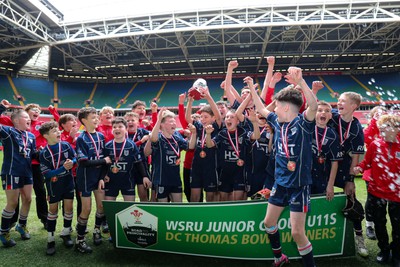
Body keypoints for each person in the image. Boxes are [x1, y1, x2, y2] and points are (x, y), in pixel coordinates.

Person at [249, 68, 318, 267]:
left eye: (277, 106)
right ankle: (279, 257)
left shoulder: (303, 124)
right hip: (280, 184)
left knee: (297, 232)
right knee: (268, 223)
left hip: (299, 186)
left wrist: (301, 81)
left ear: (286, 108)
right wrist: (251, 89)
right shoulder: (277, 123)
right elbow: (262, 109)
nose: (274, 109)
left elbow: (312, 105)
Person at [354, 114, 400, 265]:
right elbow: (366, 163)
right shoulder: (375, 144)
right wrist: (358, 168)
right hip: (376, 192)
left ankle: (397, 252)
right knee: (379, 224)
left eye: (387, 127)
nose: (383, 131)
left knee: (398, 225)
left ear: (396, 128)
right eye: (381, 128)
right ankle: (384, 250)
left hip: (397, 193)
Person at [328, 91, 367, 257]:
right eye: (338, 100)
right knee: (320, 197)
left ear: (354, 106)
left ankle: (359, 238)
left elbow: (355, 157)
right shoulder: (331, 117)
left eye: (343, 101)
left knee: (352, 200)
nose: (339, 103)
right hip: (326, 165)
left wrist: (351, 180)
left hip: (344, 166)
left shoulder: (357, 128)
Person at [205, 94, 260, 202]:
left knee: (237, 200)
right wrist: (207, 134)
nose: (228, 119)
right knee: (223, 200)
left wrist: (254, 122)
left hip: (240, 172)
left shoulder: (243, 132)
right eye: (227, 117)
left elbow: (256, 136)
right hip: (225, 172)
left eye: (231, 117)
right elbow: (209, 144)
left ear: (238, 121)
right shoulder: (222, 134)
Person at [75, 107, 112, 253]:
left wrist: (102, 177)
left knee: (101, 206)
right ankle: (80, 240)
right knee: (86, 209)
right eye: (93, 117)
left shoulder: (101, 136)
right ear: (84, 120)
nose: (96, 119)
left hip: (98, 178)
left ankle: (97, 230)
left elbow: (107, 160)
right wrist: (103, 160)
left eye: (97, 117)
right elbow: (83, 162)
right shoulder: (81, 138)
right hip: (85, 178)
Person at [0, 99, 36, 247]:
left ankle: (21, 225)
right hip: (11, 171)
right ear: (15, 120)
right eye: (25, 117)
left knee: (27, 199)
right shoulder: (8, 132)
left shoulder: (31, 136)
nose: (29, 120)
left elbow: (33, 155)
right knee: (13, 202)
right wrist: (2, 107)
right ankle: (3, 231)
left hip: (27, 172)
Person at [39, 121, 76, 255]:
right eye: (54, 131)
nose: (58, 132)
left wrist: (72, 162)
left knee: (69, 207)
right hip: (54, 185)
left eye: (58, 130)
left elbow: (75, 158)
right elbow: (47, 174)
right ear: (46, 136)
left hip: (68, 181)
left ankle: (66, 233)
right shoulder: (43, 153)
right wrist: (62, 168)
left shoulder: (66, 145)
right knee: (53, 210)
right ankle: (50, 239)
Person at [146, 108, 196, 202]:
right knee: (163, 209)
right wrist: (158, 119)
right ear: (162, 124)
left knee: (178, 207)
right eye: (170, 121)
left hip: (175, 179)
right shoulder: (159, 138)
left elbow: (191, 146)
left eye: (174, 121)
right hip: (161, 180)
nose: (174, 123)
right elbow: (152, 138)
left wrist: (194, 133)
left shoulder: (176, 137)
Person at [99, 117, 152, 202]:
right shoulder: (108, 146)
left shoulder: (131, 145)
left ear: (126, 129)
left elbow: (138, 162)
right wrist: (102, 177)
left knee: (129, 208)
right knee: (109, 208)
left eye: (120, 126)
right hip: (111, 181)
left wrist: (145, 176)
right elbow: (105, 164)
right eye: (115, 127)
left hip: (127, 181)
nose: (117, 129)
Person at [185, 86, 222, 202]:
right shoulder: (199, 127)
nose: (202, 119)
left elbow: (219, 116)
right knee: (194, 195)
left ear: (213, 118)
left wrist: (209, 98)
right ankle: (194, 218)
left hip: (211, 167)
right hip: (196, 165)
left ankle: (211, 219)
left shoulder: (216, 127)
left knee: (211, 196)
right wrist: (190, 102)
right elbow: (187, 118)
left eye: (205, 117)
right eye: (201, 117)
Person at [362, 106, 387, 240]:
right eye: (377, 115)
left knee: (388, 204)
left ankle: (380, 226)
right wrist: (374, 121)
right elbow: (365, 137)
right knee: (372, 201)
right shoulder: (371, 130)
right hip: (372, 174)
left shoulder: (391, 130)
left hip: (389, 175)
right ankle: (369, 225)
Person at [310, 101, 341, 200]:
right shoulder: (307, 129)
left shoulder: (333, 135)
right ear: (314, 113)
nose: (323, 113)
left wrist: (330, 185)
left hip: (322, 178)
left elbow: (334, 162)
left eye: (327, 111)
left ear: (331, 116)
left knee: (318, 206)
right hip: (304, 177)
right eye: (319, 110)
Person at [59, 114, 82, 223]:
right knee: (67, 200)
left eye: (74, 120)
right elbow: (60, 151)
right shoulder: (59, 136)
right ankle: (67, 225)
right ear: (63, 125)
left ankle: (80, 222)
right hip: (65, 174)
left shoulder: (80, 137)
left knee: (81, 198)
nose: (74, 122)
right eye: (70, 120)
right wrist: (70, 137)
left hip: (79, 173)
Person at [124, 112, 151, 201]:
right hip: (128, 167)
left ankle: (146, 213)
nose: (130, 122)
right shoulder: (122, 134)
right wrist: (141, 141)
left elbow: (155, 134)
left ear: (138, 122)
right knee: (129, 197)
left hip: (142, 166)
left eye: (133, 120)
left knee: (143, 195)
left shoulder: (143, 132)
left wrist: (149, 135)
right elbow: (129, 146)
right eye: (128, 121)